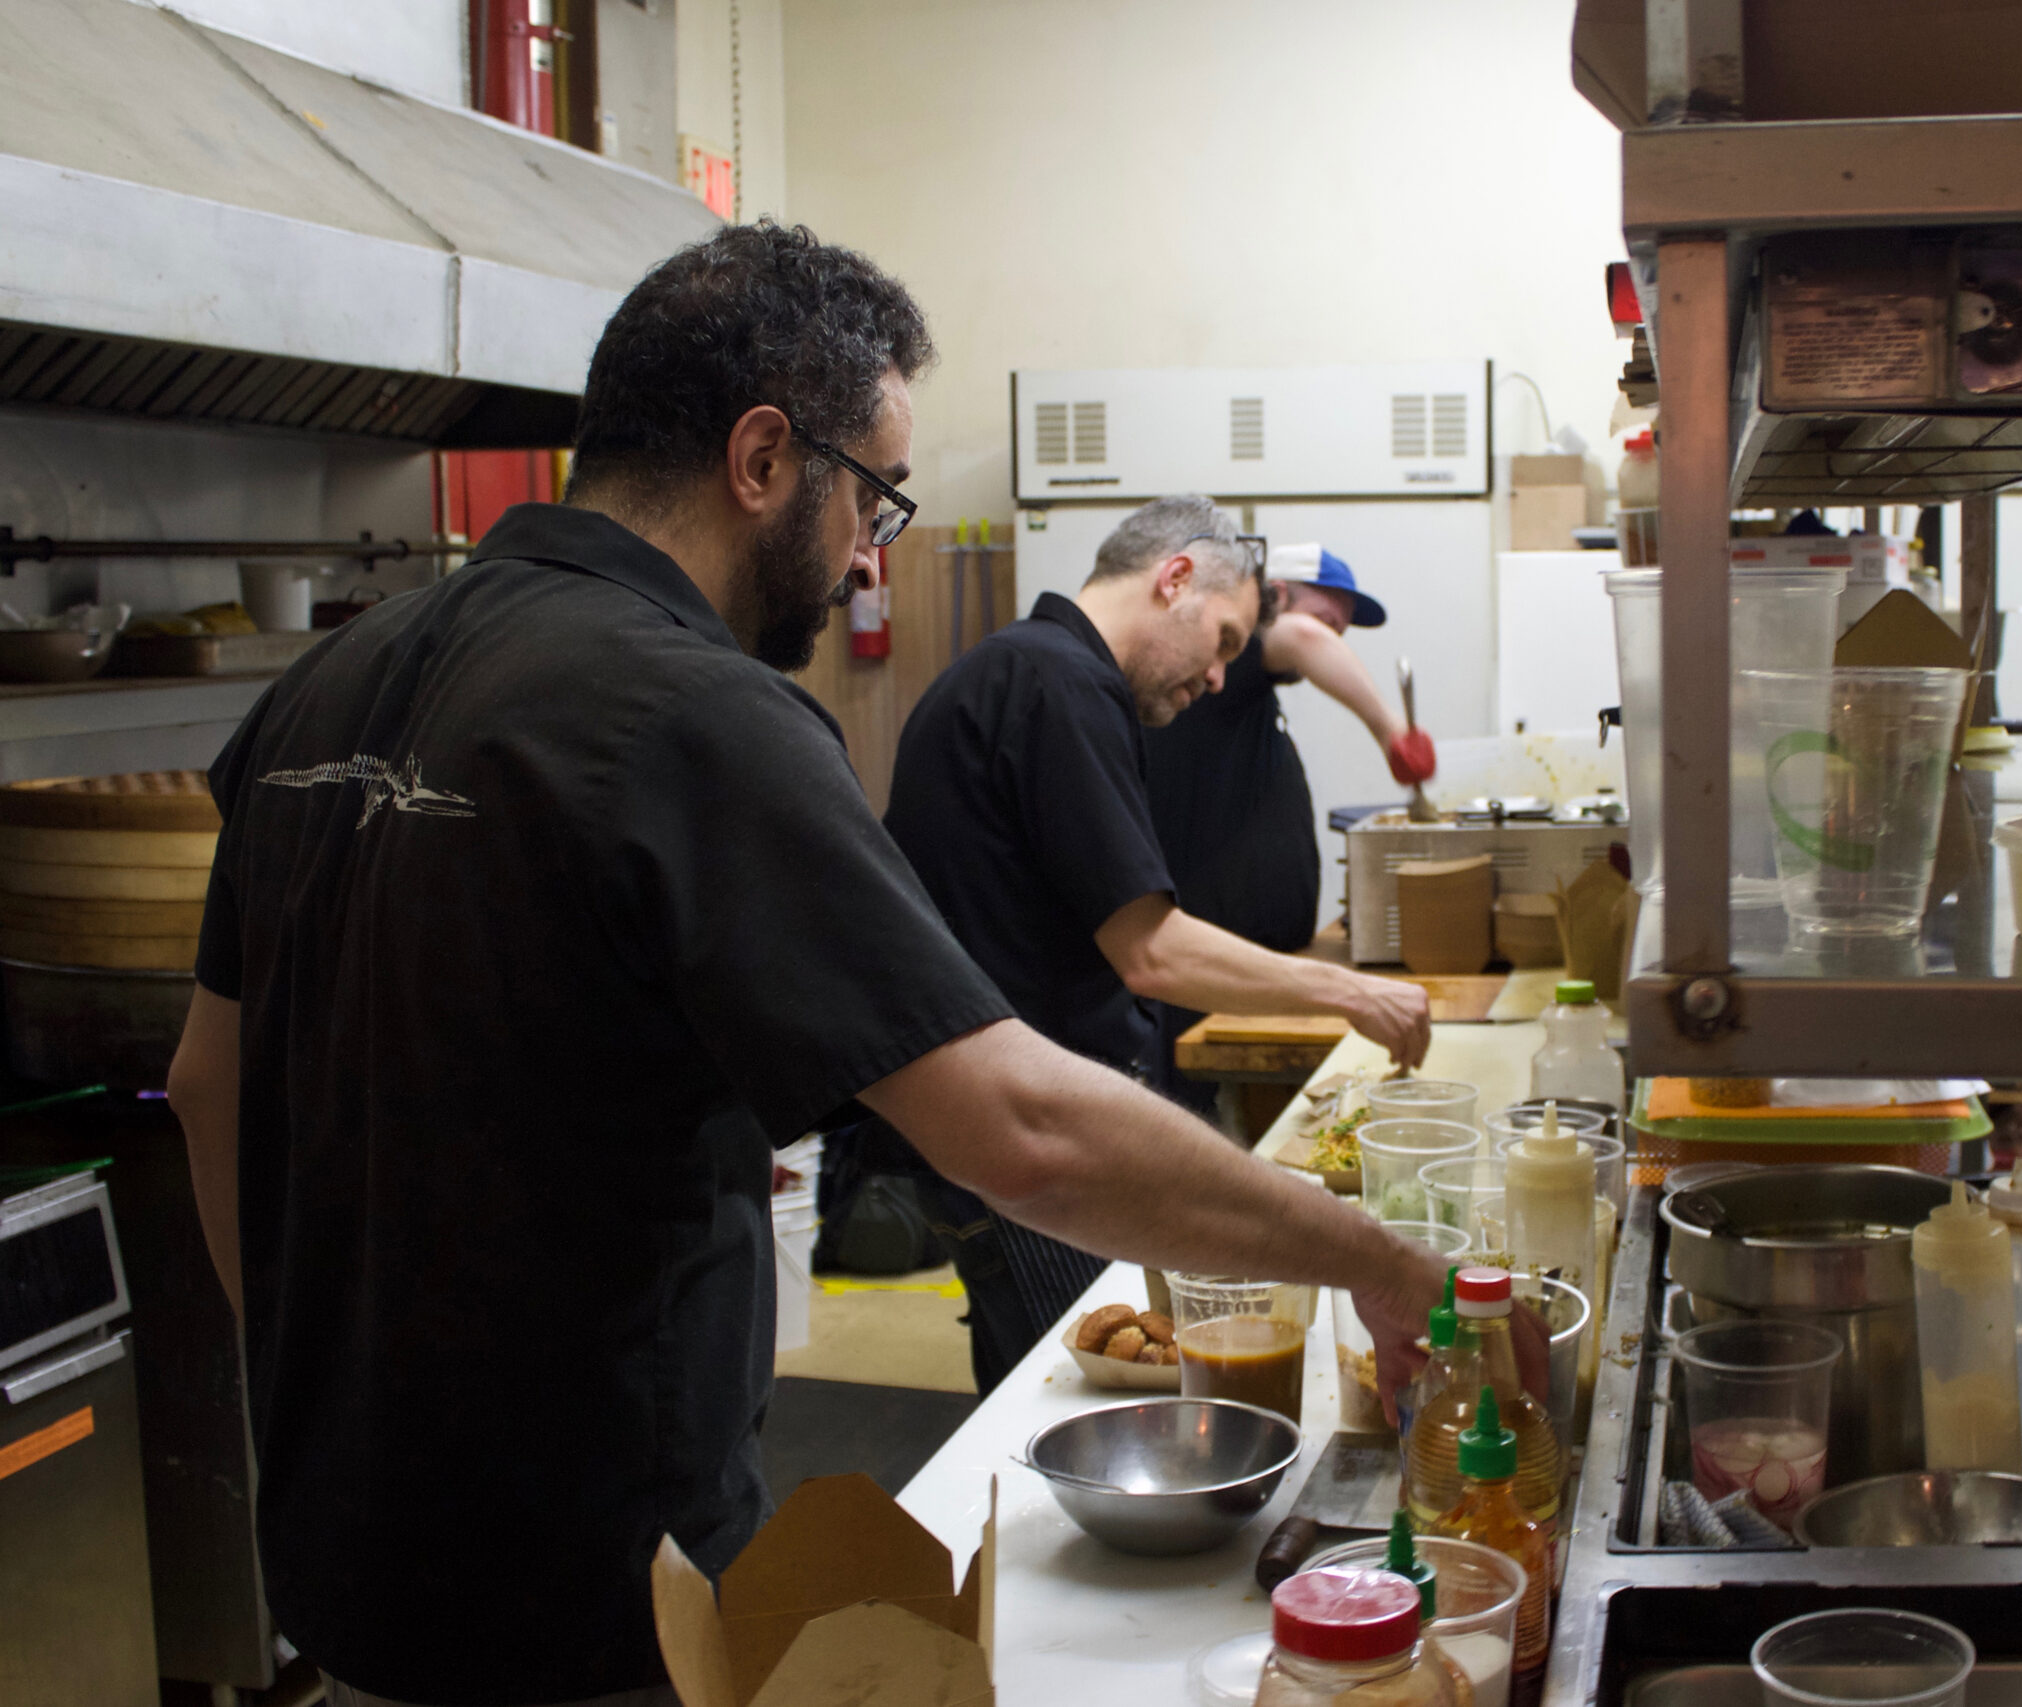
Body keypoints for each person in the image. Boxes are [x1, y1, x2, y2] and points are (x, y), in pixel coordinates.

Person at [163, 223, 1474, 1707]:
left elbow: (209, 1084)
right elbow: (1020, 1132)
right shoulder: (693, 714)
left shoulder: (327, 680)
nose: (870, 551)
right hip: (593, 1604)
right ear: (765, 458)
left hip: (346, 1581)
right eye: (877, 496)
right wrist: (1379, 1255)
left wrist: (330, 1393)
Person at [878, 497, 1438, 1388]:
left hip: (1038, 1135)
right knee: (1067, 1410)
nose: (1222, 678)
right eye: (1221, 642)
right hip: (1034, 1147)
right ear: (1174, 578)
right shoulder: (1055, 682)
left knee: (1070, 1399)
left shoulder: (1043, 675)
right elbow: (1151, 948)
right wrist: (1351, 993)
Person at [1142, 544, 1436, 1106]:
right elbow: (1301, 638)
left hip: (1255, 971)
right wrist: (1392, 733)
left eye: (1341, 631)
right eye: (1329, 618)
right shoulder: (1230, 656)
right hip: (1210, 974)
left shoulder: (1248, 696)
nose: (1332, 637)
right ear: (1273, 595)